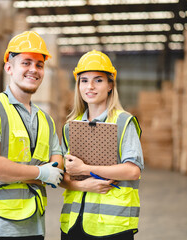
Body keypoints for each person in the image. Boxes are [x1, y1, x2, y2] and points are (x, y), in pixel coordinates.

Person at [0, 31, 64, 240]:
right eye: (26, 63)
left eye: (39, 64)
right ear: (9, 67)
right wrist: (40, 173)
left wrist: (11, 176)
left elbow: (56, 170)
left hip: (35, 225)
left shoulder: (46, 120)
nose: (33, 70)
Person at [60, 50, 144, 240]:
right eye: (84, 80)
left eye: (98, 80)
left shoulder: (123, 122)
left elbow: (133, 171)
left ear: (110, 85)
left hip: (112, 226)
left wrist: (86, 168)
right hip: (74, 222)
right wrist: (83, 186)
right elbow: (62, 176)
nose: (90, 86)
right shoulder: (69, 127)